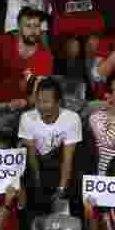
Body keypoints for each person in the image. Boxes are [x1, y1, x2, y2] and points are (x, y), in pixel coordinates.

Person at [18, 77, 82, 215]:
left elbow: (68, 159)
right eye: (38, 101)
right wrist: (37, 185)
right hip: (39, 164)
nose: (41, 106)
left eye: (46, 102)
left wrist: (62, 188)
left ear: (58, 102)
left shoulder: (72, 119)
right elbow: (32, 155)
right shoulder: (27, 118)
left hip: (60, 163)